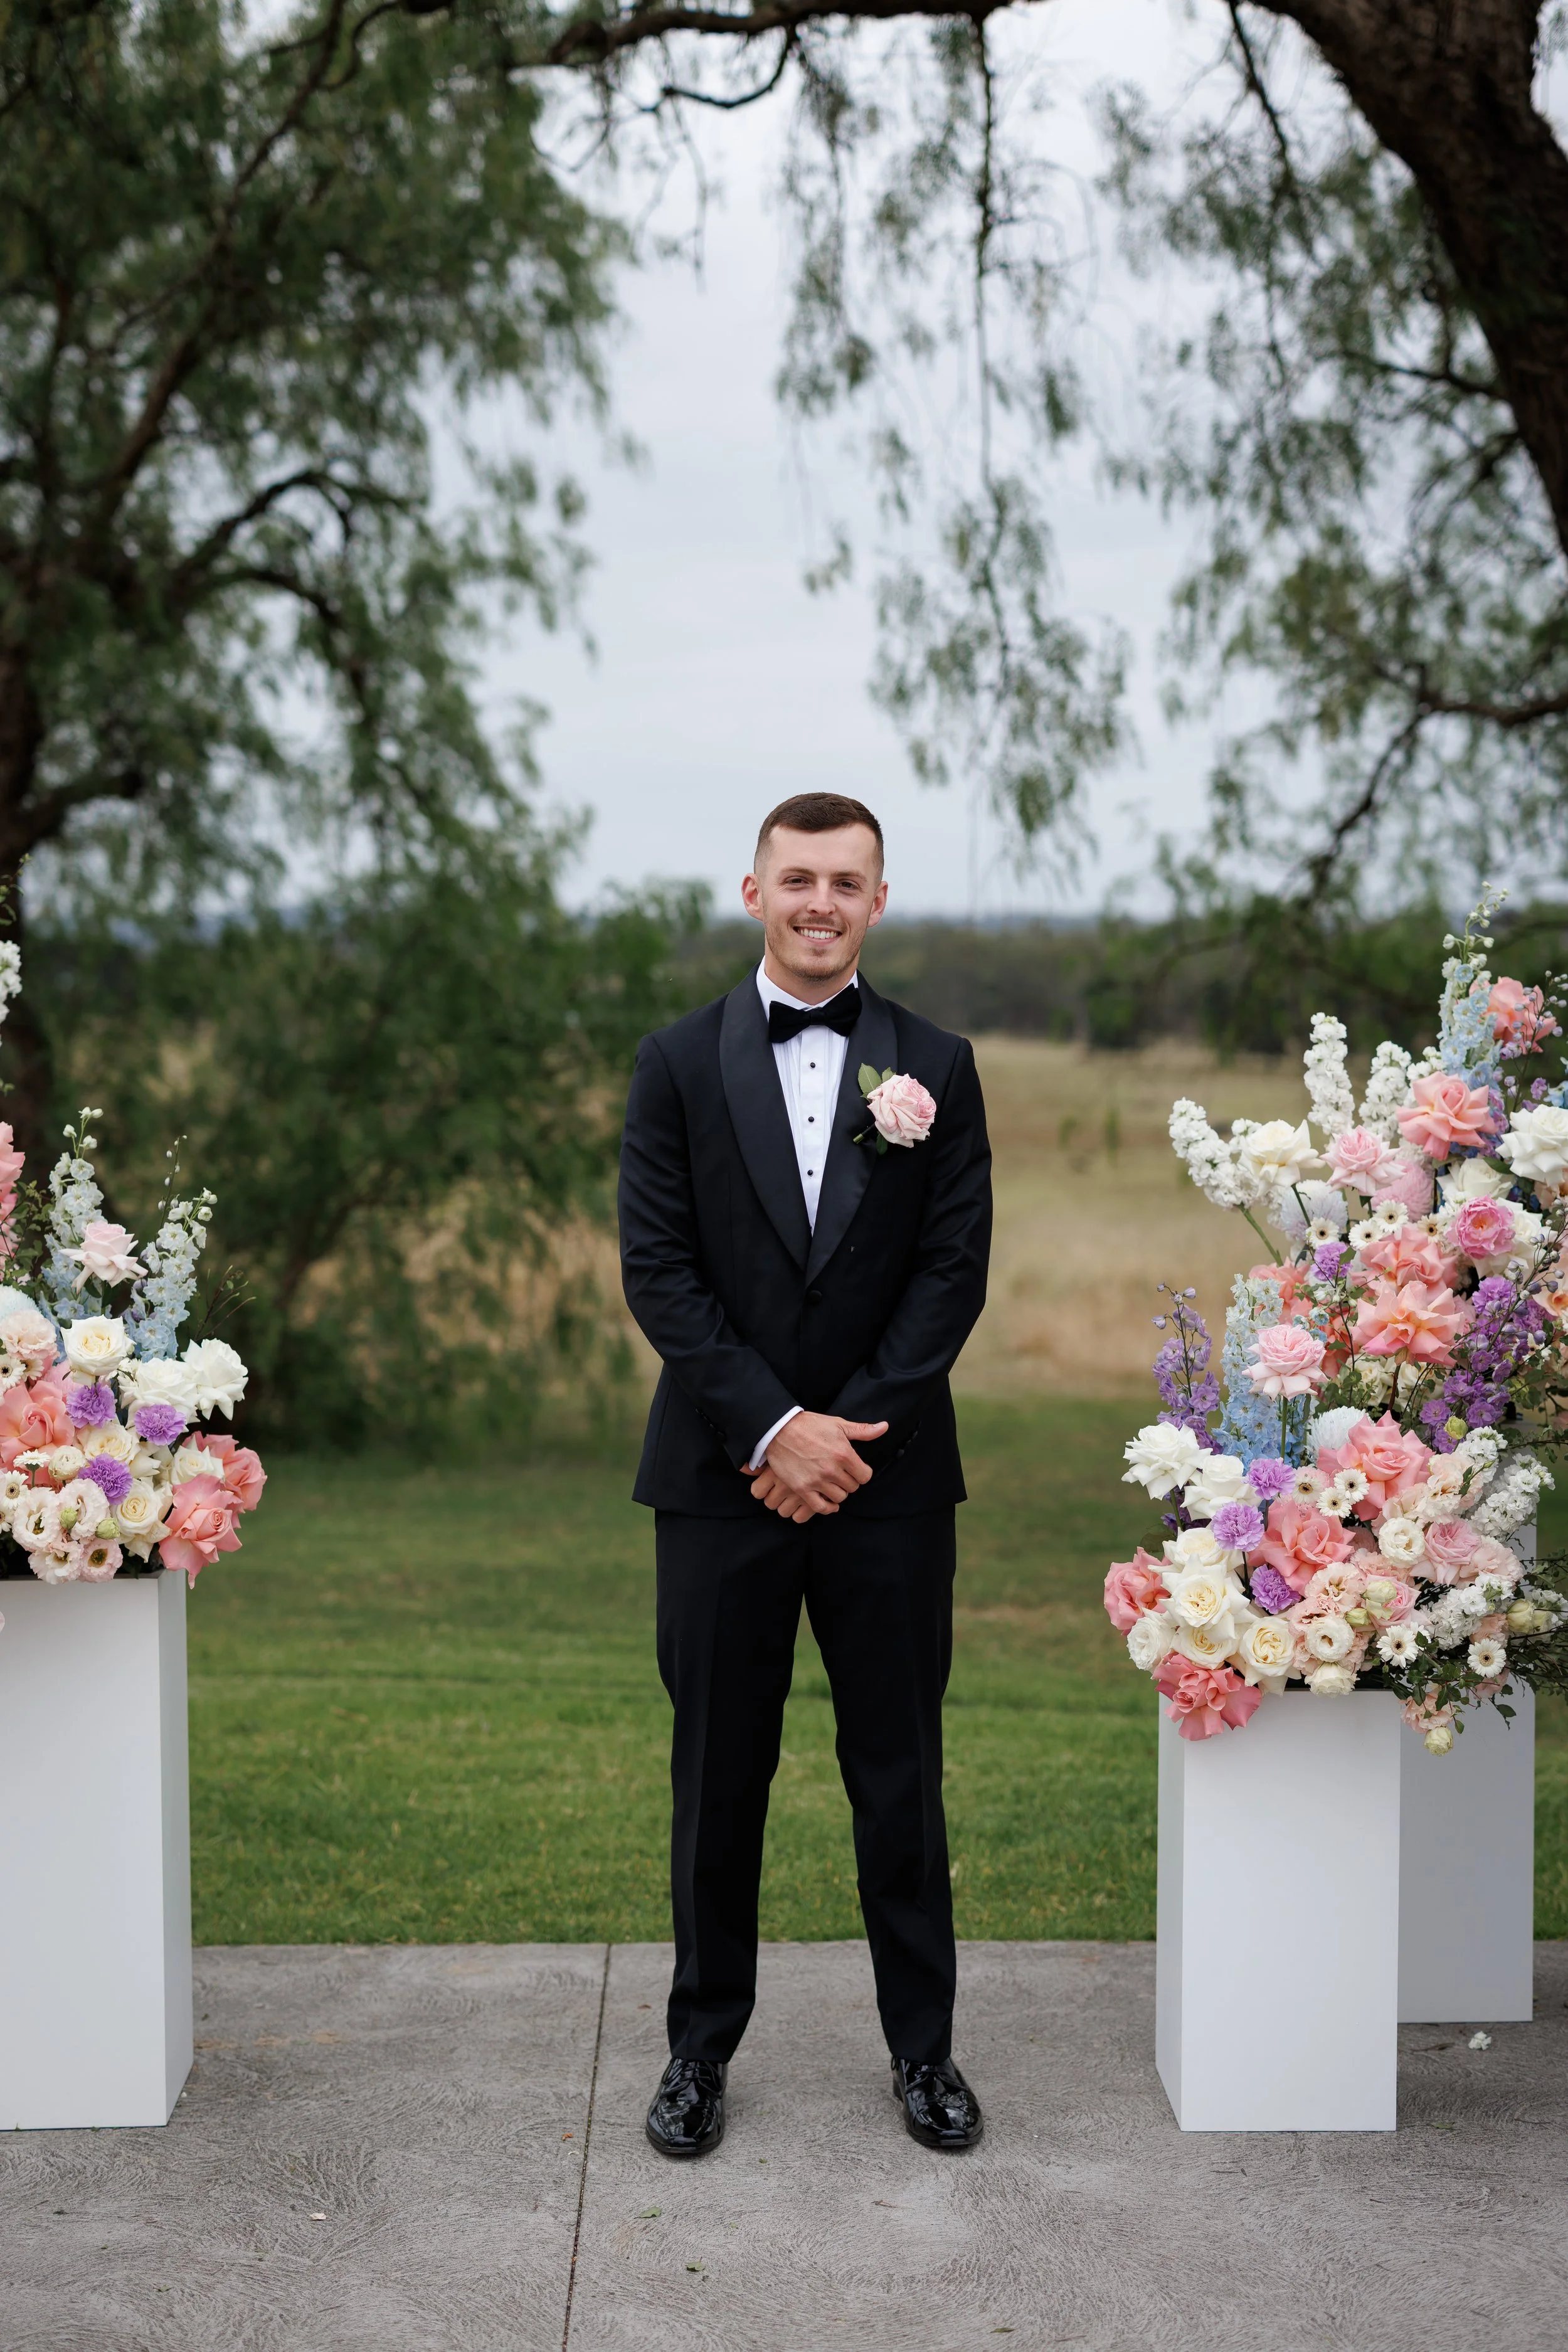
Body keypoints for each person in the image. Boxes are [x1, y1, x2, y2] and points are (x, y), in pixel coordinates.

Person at [618, 791, 993, 2159]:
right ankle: (696, 2056)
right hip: (721, 1487)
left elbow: (950, 1275)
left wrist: (841, 1441)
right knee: (717, 1778)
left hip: (888, 1490)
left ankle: (924, 2055)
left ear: (878, 900)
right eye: (797, 879)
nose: (820, 902)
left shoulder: (937, 1066)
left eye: (845, 880)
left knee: (897, 1774)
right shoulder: (671, 1063)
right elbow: (659, 1271)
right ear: (752, 891)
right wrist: (774, 1431)